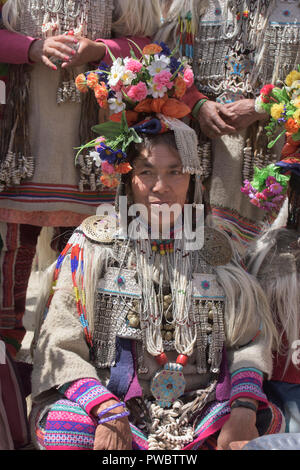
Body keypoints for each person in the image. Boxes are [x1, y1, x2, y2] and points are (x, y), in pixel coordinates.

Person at [29, 46, 283, 450]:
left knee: (262, 425)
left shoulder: (217, 247)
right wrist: (105, 411)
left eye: (174, 173)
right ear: (127, 180)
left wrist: (243, 409)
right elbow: (60, 343)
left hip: (201, 405)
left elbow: (249, 340)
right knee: (66, 430)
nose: (161, 187)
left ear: (193, 181)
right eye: (147, 172)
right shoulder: (93, 244)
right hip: (113, 404)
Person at [0, 0, 163, 358]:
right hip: (16, 145)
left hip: (89, 153)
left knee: (85, 261)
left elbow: (148, 45)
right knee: (8, 256)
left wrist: (100, 49)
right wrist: (30, 48)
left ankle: (65, 363)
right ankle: (6, 371)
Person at [156, 0, 300, 252]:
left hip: (272, 150)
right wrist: (198, 104)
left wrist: (260, 107)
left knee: (272, 257)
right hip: (205, 148)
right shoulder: (195, 5)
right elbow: (163, 61)